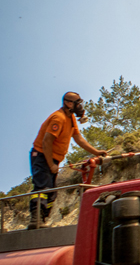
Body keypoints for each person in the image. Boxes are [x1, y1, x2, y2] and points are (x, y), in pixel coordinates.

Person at [29, 92, 107, 229]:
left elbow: (79, 139)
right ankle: (35, 220)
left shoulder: (70, 118)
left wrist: (97, 152)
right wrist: (51, 164)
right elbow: (47, 142)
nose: (80, 106)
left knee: (52, 192)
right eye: (78, 103)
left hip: (53, 158)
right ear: (69, 103)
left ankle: (43, 220)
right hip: (42, 156)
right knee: (42, 188)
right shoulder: (58, 118)